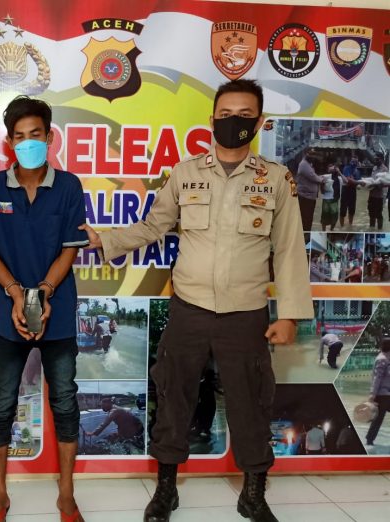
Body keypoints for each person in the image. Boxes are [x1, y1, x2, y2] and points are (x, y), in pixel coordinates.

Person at [80, 80, 313, 522]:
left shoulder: (276, 179)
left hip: (246, 314)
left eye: (244, 115)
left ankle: (253, 494)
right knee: (173, 398)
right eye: (225, 114)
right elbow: (153, 226)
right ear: (212, 120)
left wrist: (291, 315)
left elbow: (288, 250)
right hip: (189, 310)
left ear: (259, 123)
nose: (233, 121)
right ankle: (166, 490)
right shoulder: (185, 173)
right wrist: (105, 241)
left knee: (251, 404)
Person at [0, 96, 89, 522]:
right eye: (19, 137)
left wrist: (44, 290)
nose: (27, 143)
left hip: (58, 311)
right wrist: (15, 294)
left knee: (65, 402)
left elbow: (70, 248)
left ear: (49, 137)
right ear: (9, 142)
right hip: (9, 314)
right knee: (1, 403)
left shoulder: (69, 186)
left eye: (35, 135)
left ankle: (66, 495)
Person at [366, 337, 390, 446]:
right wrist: (373, 394)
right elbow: (377, 378)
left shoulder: (387, 358)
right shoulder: (382, 359)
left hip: (387, 394)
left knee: (378, 418)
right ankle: (369, 440)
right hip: (381, 395)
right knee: (378, 418)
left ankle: (369, 439)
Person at [294, 147, 324, 231]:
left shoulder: (308, 164)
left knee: (308, 219)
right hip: (305, 197)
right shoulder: (304, 164)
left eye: (313, 154)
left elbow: (313, 175)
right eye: (310, 154)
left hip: (309, 197)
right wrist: (321, 179)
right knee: (305, 220)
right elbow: (313, 177)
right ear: (305, 154)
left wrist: (320, 177)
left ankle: (305, 234)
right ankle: (304, 235)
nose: (313, 156)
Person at [360, 153, 390, 230]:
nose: (376, 160)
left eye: (377, 159)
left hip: (379, 196)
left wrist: (376, 185)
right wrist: (367, 184)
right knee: (371, 213)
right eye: (375, 159)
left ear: (382, 159)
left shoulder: (385, 169)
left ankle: (380, 229)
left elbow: (385, 183)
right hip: (372, 194)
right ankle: (372, 228)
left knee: (378, 214)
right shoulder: (374, 168)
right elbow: (372, 179)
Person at [320, 163, 342, 231]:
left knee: (335, 217)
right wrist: (322, 184)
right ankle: (323, 231)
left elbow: (346, 181)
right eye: (331, 169)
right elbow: (322, 191)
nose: (333, 170)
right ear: (328, 170)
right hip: (326, 200)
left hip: (335, 200)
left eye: (334, 169)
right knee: (324, 217)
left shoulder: (339, 178)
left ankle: (331, 230)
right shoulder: (325, 177)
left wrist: (339, 172)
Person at [340, 157, 361, 227]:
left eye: (355, 161)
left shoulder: (357, 171)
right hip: (345, 191)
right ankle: (342, 226)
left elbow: (359, 182)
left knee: (352, 210)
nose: (354, 163)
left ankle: (350, 225)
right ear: (350, 161)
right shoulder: (346, 168)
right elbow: (348, 180)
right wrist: (357, 182)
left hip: (353, 191)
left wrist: (357, 183)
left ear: (357, 162)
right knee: (343, 210)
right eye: (353, 161)